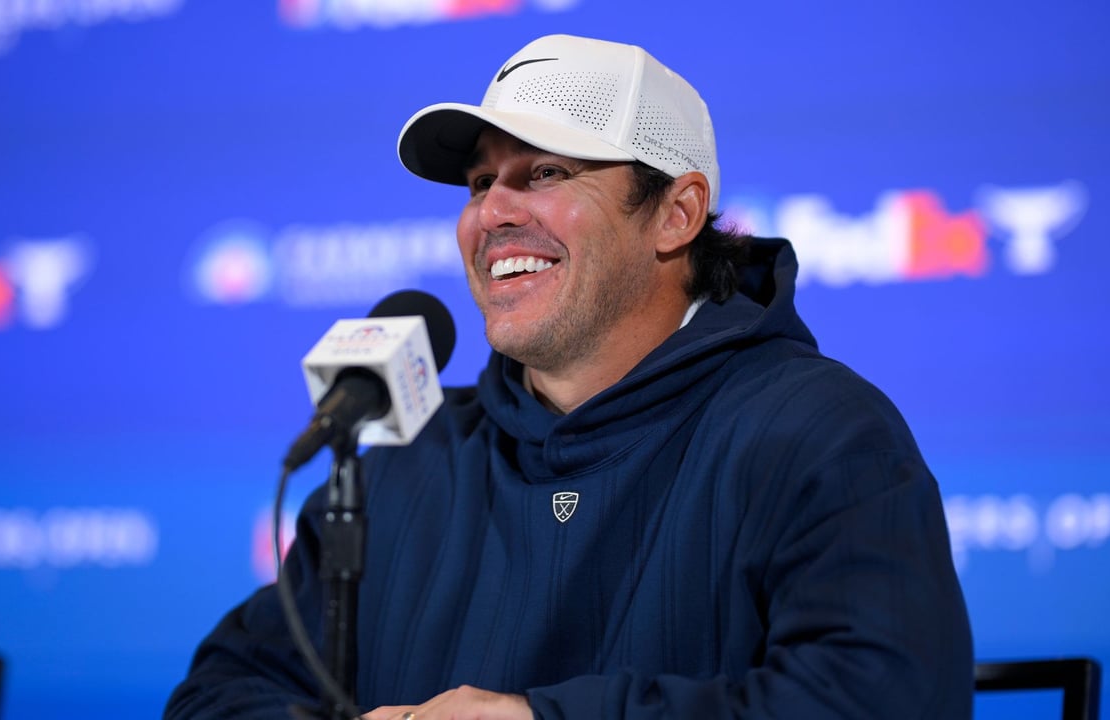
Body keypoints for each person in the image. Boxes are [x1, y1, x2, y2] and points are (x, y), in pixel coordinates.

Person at [165, 34, 973, 720]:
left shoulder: (819, 432)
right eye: (482, 183)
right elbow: (218, 693)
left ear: (677, 213)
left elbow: (884, 696)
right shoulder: (402, 466)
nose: (493, 214)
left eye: (546, 173)